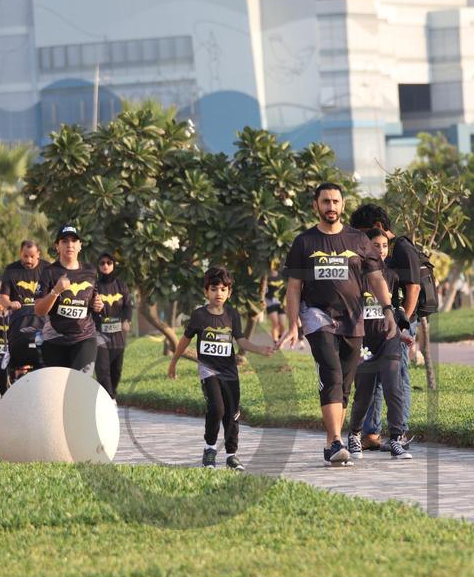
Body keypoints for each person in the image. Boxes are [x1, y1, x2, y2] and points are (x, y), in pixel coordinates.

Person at [279, 182, 396, 467]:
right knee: (331, 372)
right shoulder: (304, 242)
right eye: (325, 201)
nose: (331, 206)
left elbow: (376, 278)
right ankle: (335, 441)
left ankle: (332, 444)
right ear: (315, 206)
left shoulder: (359, 240)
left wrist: (388, 310)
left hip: (354, 319)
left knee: (344, 383)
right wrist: (293, 324)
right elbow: (293, 287)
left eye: (335, 201)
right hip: (317, 315)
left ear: (343, 205)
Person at [168, 265, 274, 470]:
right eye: (214, 289)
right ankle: (209, 450)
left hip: (230, 372)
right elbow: (184, 340)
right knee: (216, 408)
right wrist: (174, 362)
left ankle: (231, 456)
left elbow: (241, 341)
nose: (219, 293)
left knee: (232, 413)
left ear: (229, 292)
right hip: (208, 370)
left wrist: (260, 349)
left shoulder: (232, 315)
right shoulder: (199, 315)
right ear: (206, 291)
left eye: (223, 289)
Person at [350, 203, 421, 449]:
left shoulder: (402, 248)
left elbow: (413, 288)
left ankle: (399, 434)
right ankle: (371, 434)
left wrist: (399, 327)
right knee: (373, 381)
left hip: (399, 324)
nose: (361, 239)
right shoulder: (374, 257)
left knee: (397, 379)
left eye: (362, 232)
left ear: (378, 227)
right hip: (375, 328)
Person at [34, 225, 103, 373]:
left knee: (80, 382)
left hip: (85, 337)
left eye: (74, 241)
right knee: (58, 385)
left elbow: (94, 301)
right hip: (55, 339)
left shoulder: (90, 271)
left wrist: (98, 304)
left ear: (80, 245)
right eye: (64, 241)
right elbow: (39, 310)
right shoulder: (49, 272)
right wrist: (55, 291)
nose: (69, 245)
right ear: (57, 246)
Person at [0, 239, 50, 378]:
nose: (28, 260)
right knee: (18, 348)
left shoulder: (47, 269)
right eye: (25, 256)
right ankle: (17, 373)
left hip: (43, 320)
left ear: (38, 254)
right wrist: (9, 303)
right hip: (19, 322)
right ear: (20, 253)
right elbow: (2, 297)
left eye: (32, 256)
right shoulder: (11, 270)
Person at [94, 252, 133, 401]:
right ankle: (109, 400)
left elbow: (128, 306)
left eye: (109, 263)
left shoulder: (121, 285)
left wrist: (127, 320)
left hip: (118, 336)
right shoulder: (94, 286)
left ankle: (111, 396)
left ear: (113, 265)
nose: (105, 265)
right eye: (102, 263)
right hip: (99, 334)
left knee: (116, 370)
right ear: (98, 266)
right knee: (103, 370)